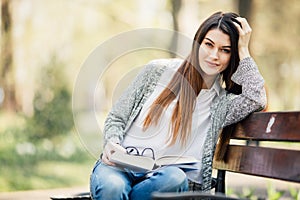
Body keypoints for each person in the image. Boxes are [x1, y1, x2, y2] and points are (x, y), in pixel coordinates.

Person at [89, 11, 267, 200]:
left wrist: (245, 50)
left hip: (163, 181)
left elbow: (257, 98)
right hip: (120, 168)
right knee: (113, 188)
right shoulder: (157, 71)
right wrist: (112, 143)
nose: (214, 55)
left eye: (225, 50)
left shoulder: (221, 103)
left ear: (233, 56)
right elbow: (117, 117)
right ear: (197, 43)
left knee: (174, 178)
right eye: (209, 44)